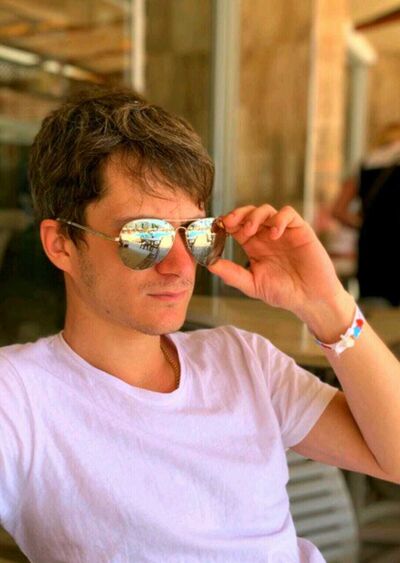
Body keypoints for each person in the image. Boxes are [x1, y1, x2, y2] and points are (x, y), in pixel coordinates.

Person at [0, 88, 399, 563]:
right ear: (61, 244)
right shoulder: (19, 398)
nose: (179, 266)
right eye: (144, 238)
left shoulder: (244, 360)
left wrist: (327, 304)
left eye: (195, 234)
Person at [332, 122, 400, 306]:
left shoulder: (367, 162)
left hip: (371, 246)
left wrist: (365, 225)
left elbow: (338, 210)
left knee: (374, 304)